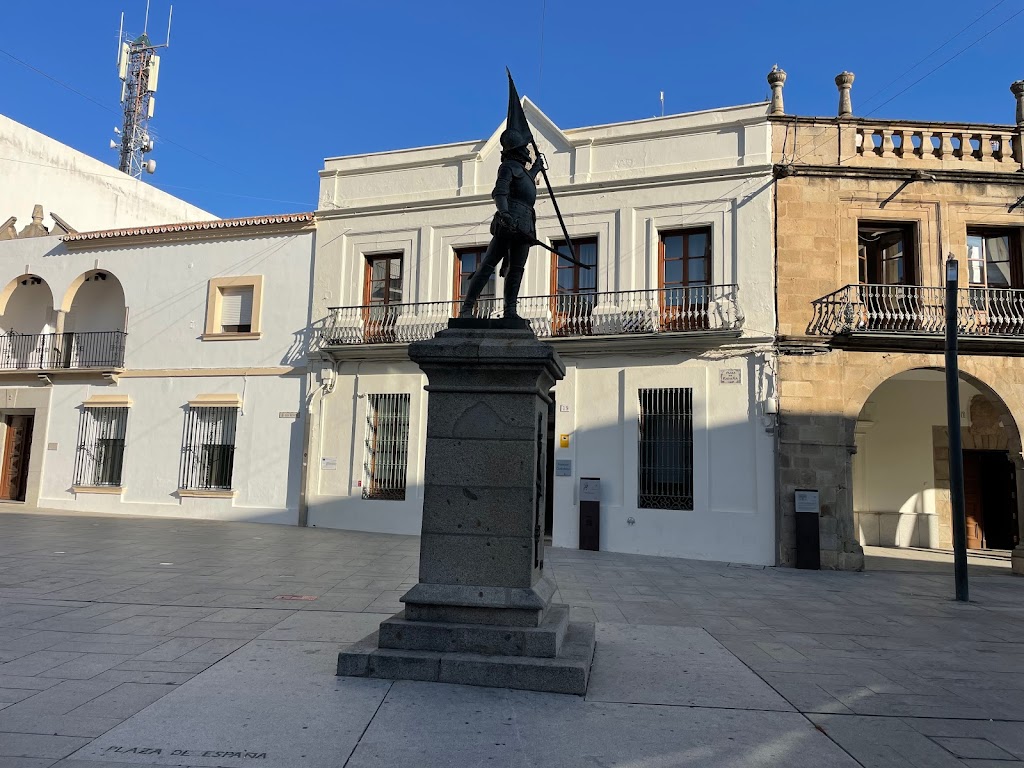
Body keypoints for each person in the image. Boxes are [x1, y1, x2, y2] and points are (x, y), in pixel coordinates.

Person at [458, 128, 546, 320]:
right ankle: (467, 308)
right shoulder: (507, 167)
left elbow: (525, 182)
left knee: (517, 268)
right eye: (524, 148)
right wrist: (504, 213)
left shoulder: (523, 172)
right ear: (516, 150)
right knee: (489, 264)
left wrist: (537, 168)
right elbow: (500, 192)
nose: (527, 151)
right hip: (509, 222)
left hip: (525, 225)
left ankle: (510, 310)